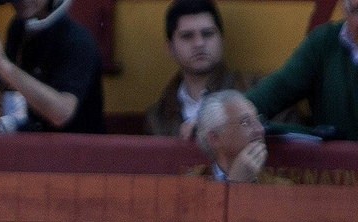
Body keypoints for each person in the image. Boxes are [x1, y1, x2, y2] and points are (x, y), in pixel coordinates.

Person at [0, 0, 106, 133]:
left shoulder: (77, 41)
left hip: (75, 149)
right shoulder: (19, 28)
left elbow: (61, 113)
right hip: (27, 142)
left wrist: (2, 66)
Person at [245, 1, 358, 140]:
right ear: (345, 11)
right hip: (334, 160)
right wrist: (231, 118)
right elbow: (277, 90)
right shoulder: (325, 43)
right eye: (357, 11)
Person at [146, 0, 249, 138]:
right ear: (170, 48)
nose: (199, 43)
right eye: (187, 36)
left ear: (221, 39)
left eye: (207, 34)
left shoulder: (252, 89)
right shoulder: (157, 117)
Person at [194, 90, 278, 182]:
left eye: (258, 120)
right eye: (246, 122)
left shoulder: (280, 186)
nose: (260, 129)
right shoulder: (190, 185)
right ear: (215, 138)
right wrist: (235, 183)